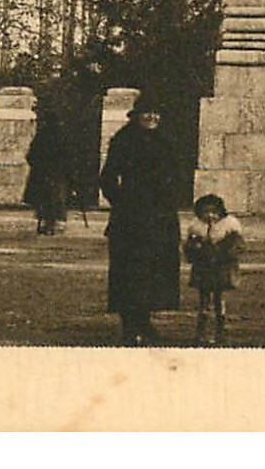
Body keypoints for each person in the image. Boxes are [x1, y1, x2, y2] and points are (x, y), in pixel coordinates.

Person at [99, 99, 184, 345]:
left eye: (155, 112)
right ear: (136, 115)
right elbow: (107, 178)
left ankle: (145, 323)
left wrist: (170, 198)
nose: (152, 117)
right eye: (147, 112)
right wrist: (122, 202)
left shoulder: (166, 142)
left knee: (155, 272)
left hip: (160, 217)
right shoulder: (123, 140)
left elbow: (178, 174)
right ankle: (130, 324)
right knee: (130, 271)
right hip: (131, 218)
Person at [182, 193, 243, 345]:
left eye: (214, 212)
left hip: (220, 269)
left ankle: (220, 331)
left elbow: (236, 247)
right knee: (203, 301)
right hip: (204, 269)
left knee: (219, 299)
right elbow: (189, 248)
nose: (210, 216)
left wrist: (223, 252)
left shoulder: (229, 227)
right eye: (206, 212)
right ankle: (201, 332)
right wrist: (196, 248)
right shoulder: (196, 227)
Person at [22, 110, 71, 235]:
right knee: (56, 197)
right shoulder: (62, 136)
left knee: (44, 197)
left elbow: (31, 155)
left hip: (43, 173)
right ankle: (55, 222)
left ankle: (45, 221)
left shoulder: (42, 136)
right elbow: (68, 156)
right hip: (55, 173)